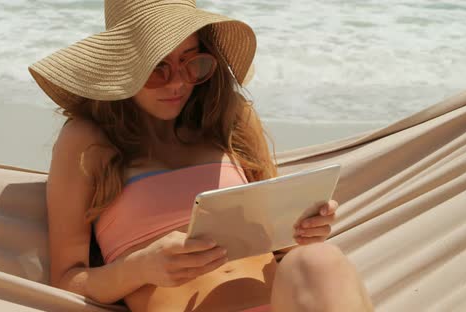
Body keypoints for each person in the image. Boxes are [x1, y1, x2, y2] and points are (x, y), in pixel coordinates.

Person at [29, 1, 374, 311]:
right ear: (125, 64)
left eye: (192, 62)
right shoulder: (88, 141)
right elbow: (67, 280)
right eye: (158, 67)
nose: (178, 82)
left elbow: (283, 248)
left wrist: (304, 230)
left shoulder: (231, 119)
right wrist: (141, 267)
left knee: (317, 259)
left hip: (287, 300)